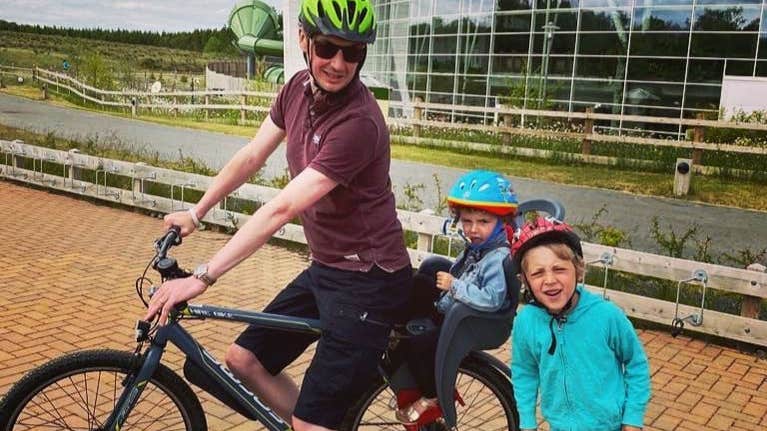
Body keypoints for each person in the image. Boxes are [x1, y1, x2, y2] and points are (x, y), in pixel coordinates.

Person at [144, 1, 413, 430]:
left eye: (353, 53)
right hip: (327, 268)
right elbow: (251, 155)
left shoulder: (359, 123)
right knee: (243, 360)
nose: (339, 63)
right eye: (327, 47)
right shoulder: (295, 89)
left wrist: (202, 277)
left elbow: (283, 207)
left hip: (369, 282)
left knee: (309, 423)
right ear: (303, 39)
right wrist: (197, 212)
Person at [395, 170, 518, 425]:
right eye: (467, 221)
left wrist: (455, 287)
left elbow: (492, 299)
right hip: (454, 307)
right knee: (421, 278)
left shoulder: (498, 257)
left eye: (483, 222)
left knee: (418, 344)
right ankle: (395, 324)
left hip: (471, 320)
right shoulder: (478, 248)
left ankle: (432, 396)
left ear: (501, 223)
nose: (473, 229)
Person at [510, 217, 651, 431]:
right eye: (538, 273)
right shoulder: (526, 321)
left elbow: (636, 363)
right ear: (525, 281)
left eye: (559, 269)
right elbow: (525, 371)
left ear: (578, 269)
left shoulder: (606, 315)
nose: (549, 280)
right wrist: (527, 422)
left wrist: (632, 418)